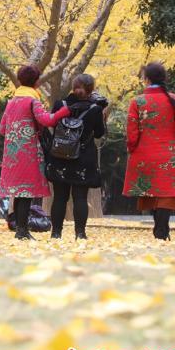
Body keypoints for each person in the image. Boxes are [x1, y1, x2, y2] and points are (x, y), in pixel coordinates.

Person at [123, 62, 175, 240]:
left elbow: (131, 132)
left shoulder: (138, 101)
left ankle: (160, 229)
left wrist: (132, 149)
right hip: (171, 153)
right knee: (166, 194)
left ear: (146, 79)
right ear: (164, 78)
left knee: (152, 193)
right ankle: (162, 229)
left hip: (144, 155)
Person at [0, 65, 71, 240]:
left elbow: (2, 129)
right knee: (26, 192)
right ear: (36, 82)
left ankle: (20, 230)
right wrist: (65, 111)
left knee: (19, 192)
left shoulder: (11, 102)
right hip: (28, 152)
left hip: (11, 154)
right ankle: (22, 231)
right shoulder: (32, 101)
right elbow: (47, 120)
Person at [45, 74, 108, 240]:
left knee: (59, 197)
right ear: (90, 90)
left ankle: (56, 233)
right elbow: (99, 133)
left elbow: (52, 124)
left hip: (59, 156)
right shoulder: (95, 109)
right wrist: (103, 116)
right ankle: (80, 233)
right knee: (80, 197)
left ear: (73, 88)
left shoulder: (60, 104)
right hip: (83, 157)